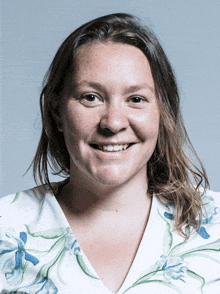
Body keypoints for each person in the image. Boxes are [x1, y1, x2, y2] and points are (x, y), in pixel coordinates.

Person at [0, 13, 219, 294]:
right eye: (91, 97)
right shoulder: (7, 228)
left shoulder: (215, 228)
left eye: (136, 99)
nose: (113, 122)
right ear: (57, 111)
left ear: (162, 112)